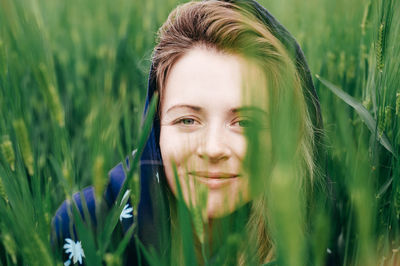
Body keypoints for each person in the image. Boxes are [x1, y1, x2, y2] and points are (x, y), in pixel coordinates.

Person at [52, 0, 334, 265]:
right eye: (187, 121)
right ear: (155, 128)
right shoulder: (87, 227)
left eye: (244, 123)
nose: (212, 149)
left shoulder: (322, 234)